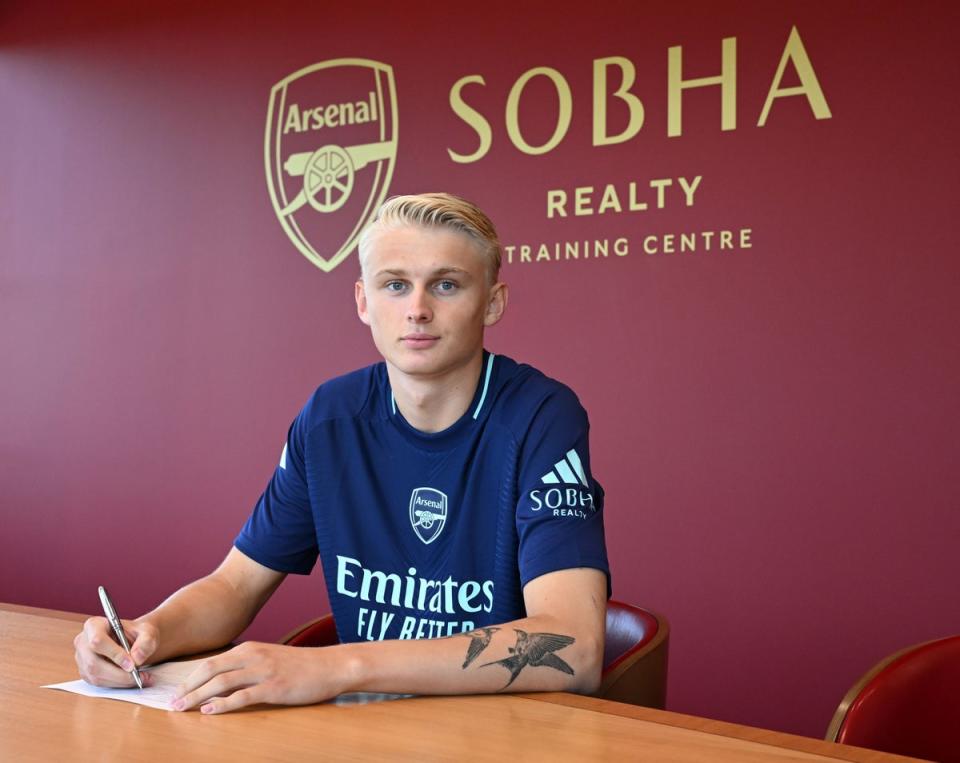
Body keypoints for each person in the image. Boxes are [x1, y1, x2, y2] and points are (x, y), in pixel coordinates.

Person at [74, 193, 610, 714]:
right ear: (362, 301)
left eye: (446, 285)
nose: (417, 310)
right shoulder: (331, 416)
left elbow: (575, 647)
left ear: (491, 302)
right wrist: (147, 636)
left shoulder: (541, 415)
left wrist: (335, 668)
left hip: (497, 731)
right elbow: (235, 585)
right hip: (361, 726)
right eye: (395, 285)